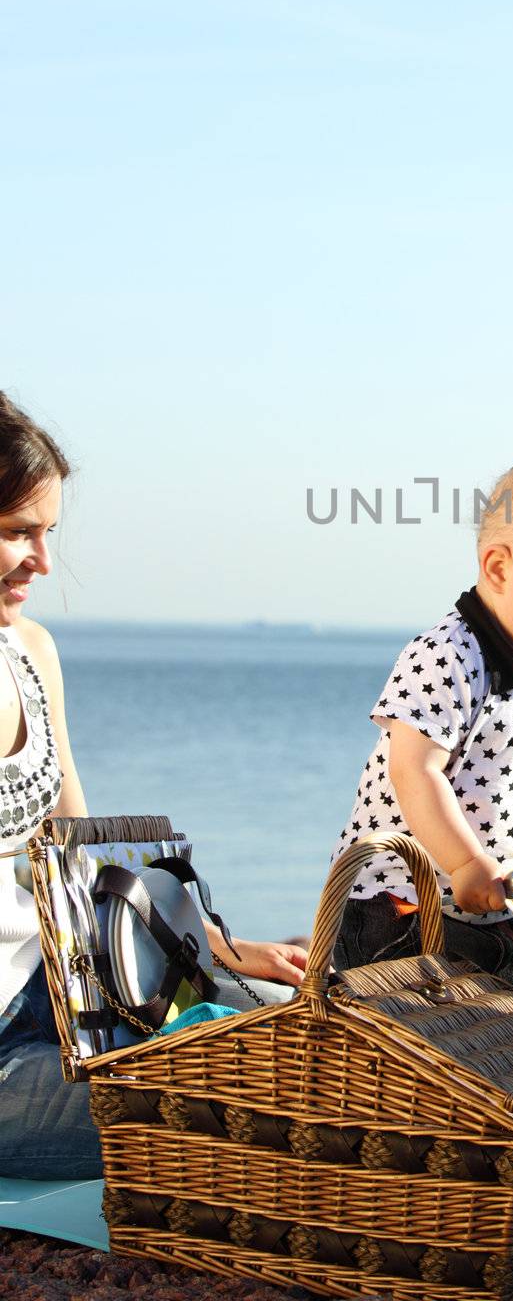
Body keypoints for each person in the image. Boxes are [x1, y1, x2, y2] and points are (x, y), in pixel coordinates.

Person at [0, 391, 308, 1179]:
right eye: (16, 534)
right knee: (232, 1113)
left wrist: (213, 949)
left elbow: (75, 867)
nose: (41, 559)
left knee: (297, 1042)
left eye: (48, 533)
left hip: (68, 992)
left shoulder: (31, 651)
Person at [331, 447, 513, 1002]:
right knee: (415, 1054)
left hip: (501, 909)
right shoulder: (447, 656)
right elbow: (414, 770)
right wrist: (466, 863)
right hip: (401, 908)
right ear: (498, 567)